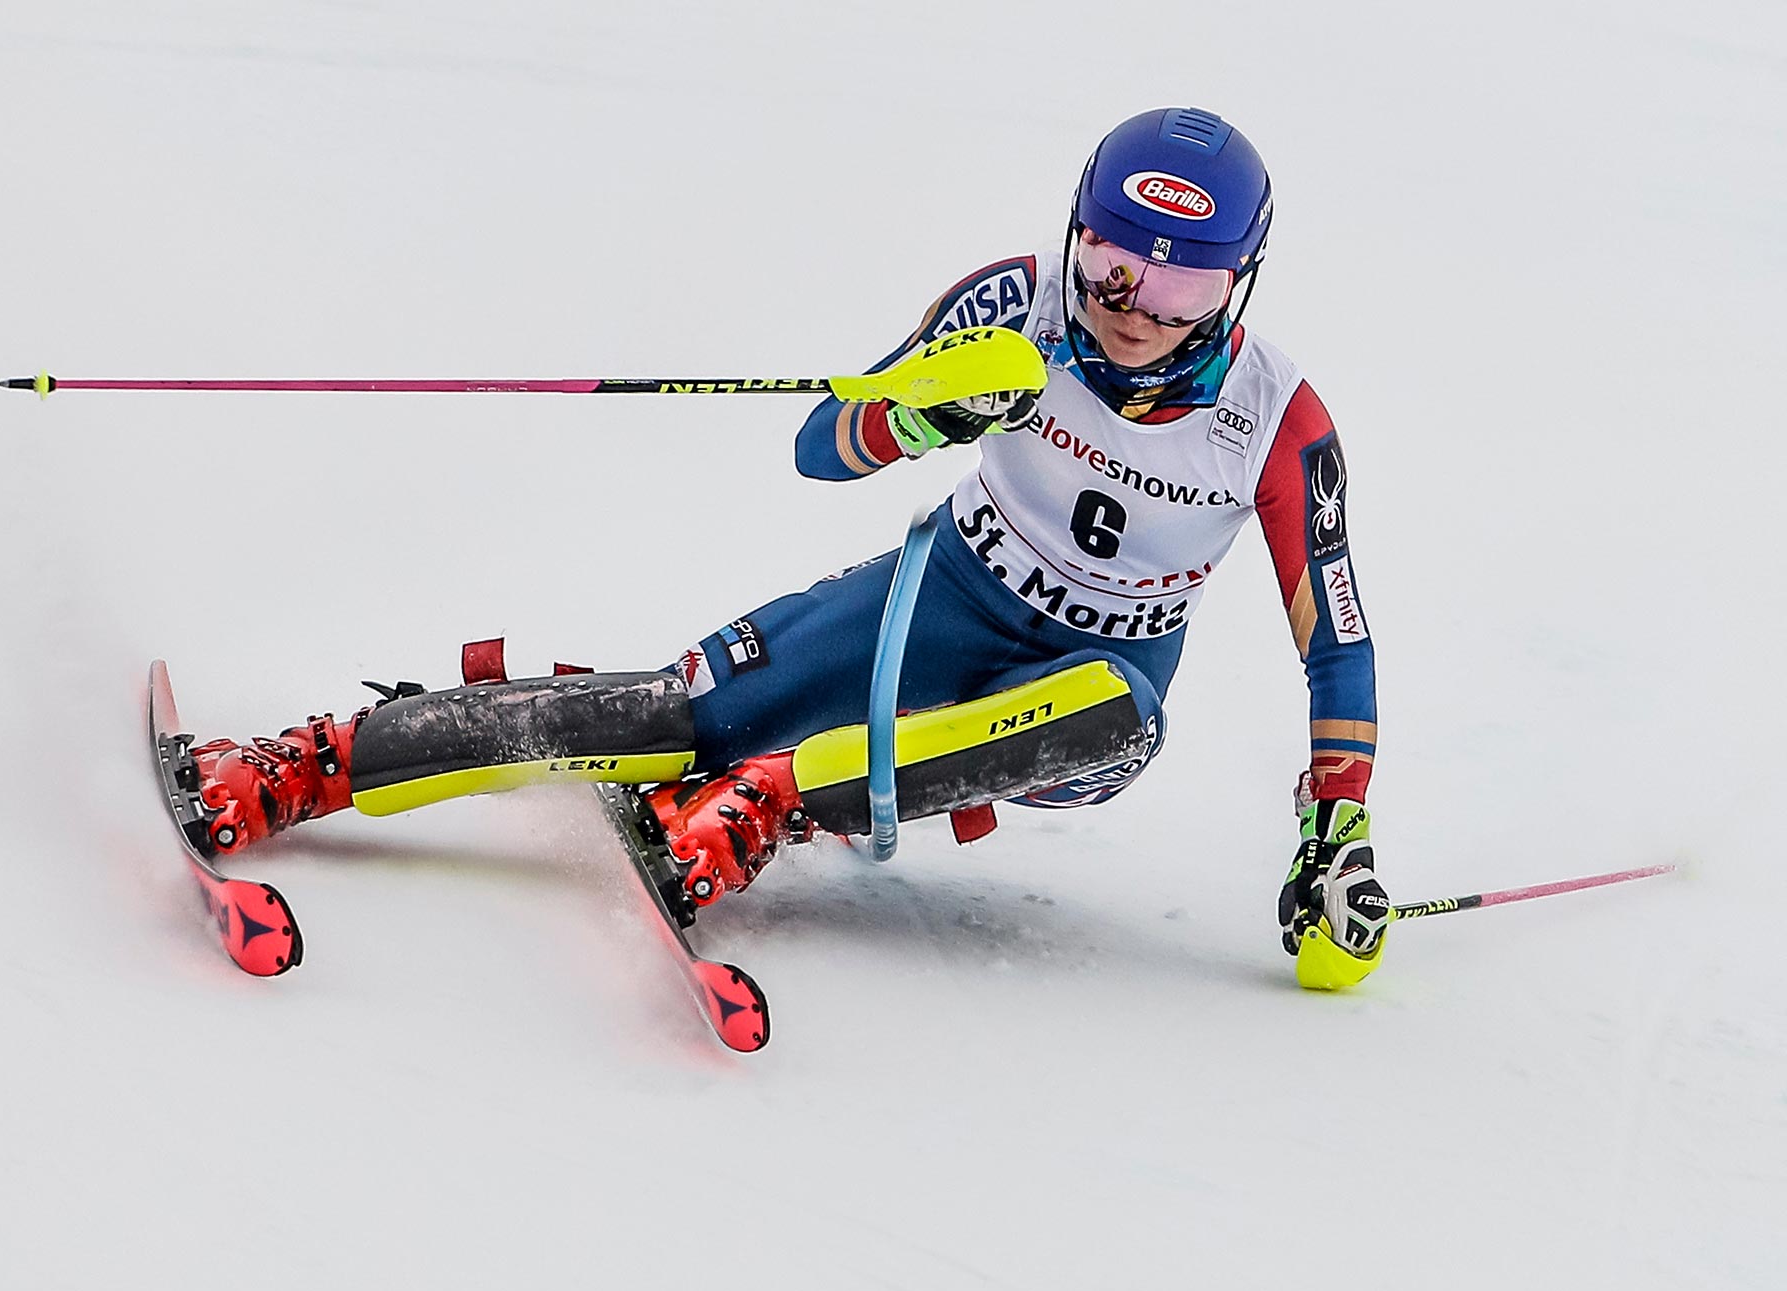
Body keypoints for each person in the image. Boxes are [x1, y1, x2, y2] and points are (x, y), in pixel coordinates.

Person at [182, 107, 1390, 990]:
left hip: (1086, 692)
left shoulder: (1276, 421)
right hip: (945, 598)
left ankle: (762, 805)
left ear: (1236, 285)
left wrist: (1335, 834)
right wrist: (919, 411)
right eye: (1109, 265)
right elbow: (823, 444)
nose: (1131, 309)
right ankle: (304, 762)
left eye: (1177, 290)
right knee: (668, 712)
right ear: (1073, 236)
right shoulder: (1012, 306)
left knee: (1112, 716)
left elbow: (1333, 645)